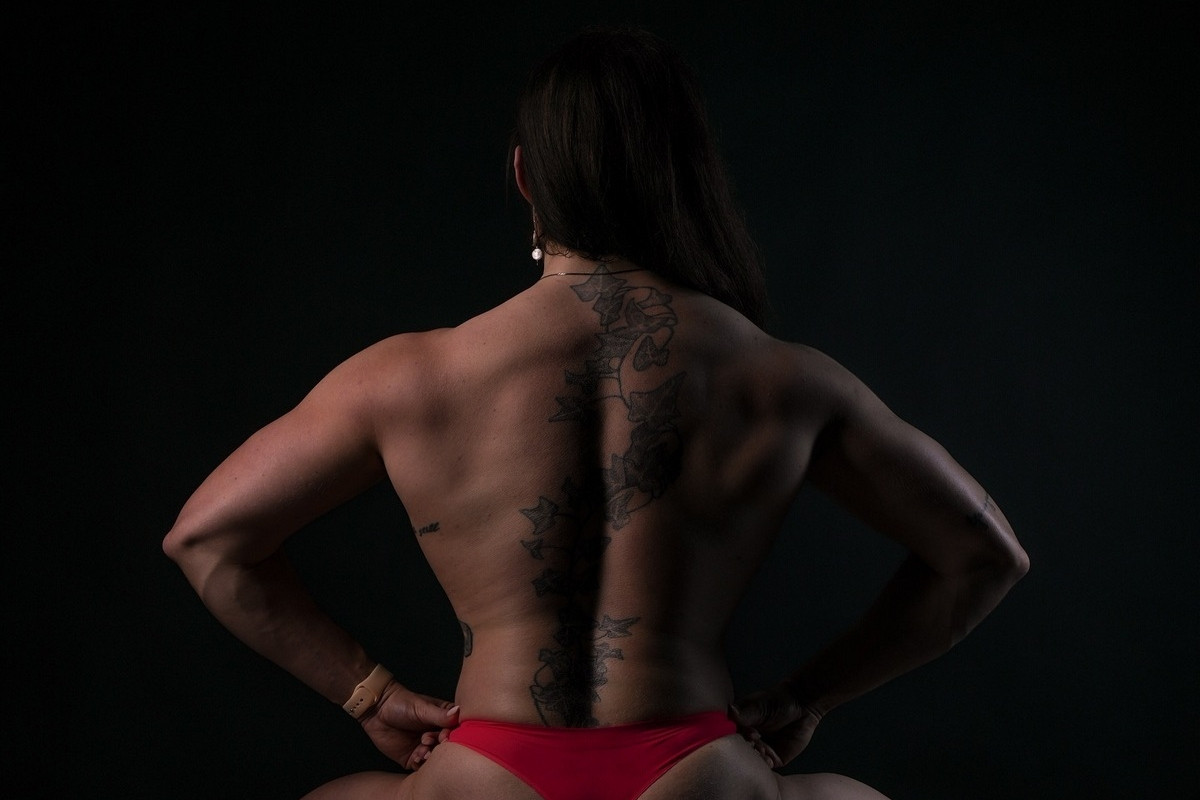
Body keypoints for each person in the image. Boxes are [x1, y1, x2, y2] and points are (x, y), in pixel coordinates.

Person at [163, 26, 1028, 800]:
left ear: (523, 175)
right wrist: (809, 696)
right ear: (686, 174)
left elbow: (206, 539)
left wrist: (369, 693)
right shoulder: (782, 379)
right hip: (699, 772)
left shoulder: (411, 377)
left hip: (483, 776)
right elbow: (986, 555)